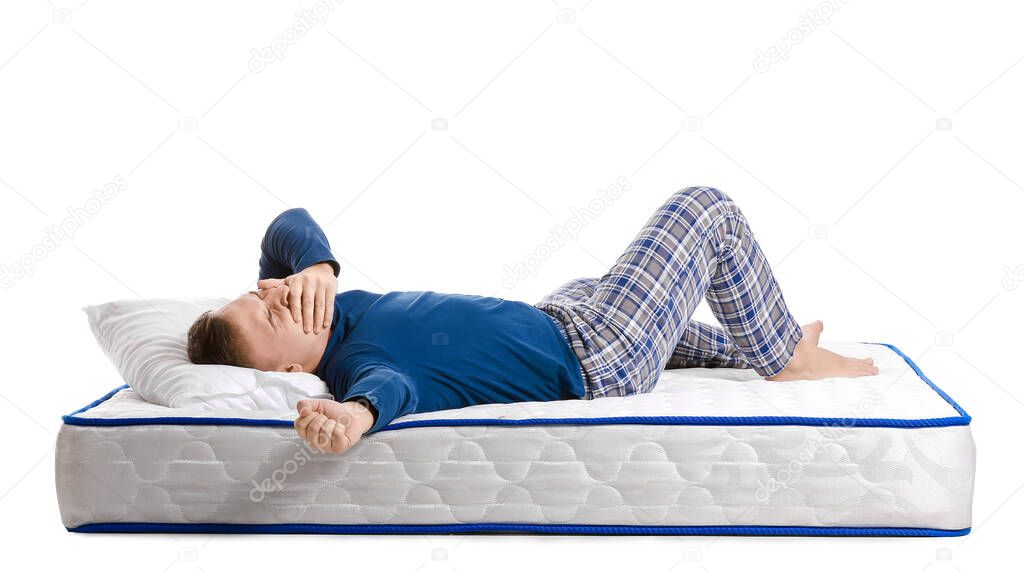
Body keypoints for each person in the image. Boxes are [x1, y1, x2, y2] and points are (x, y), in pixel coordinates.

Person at [187, 186, 878, 454]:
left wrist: (317, 267)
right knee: (705, 212)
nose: (277, 290)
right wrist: (355, 418)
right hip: (598, 354)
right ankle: (785, 355)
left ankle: (740, 347)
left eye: (267, 287)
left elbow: (289, 224)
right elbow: (386, 394)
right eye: (273, 310)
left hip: (565, 314)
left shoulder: (326, 304)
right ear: (288, 369)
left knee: (592, 286)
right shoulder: (357, 367)